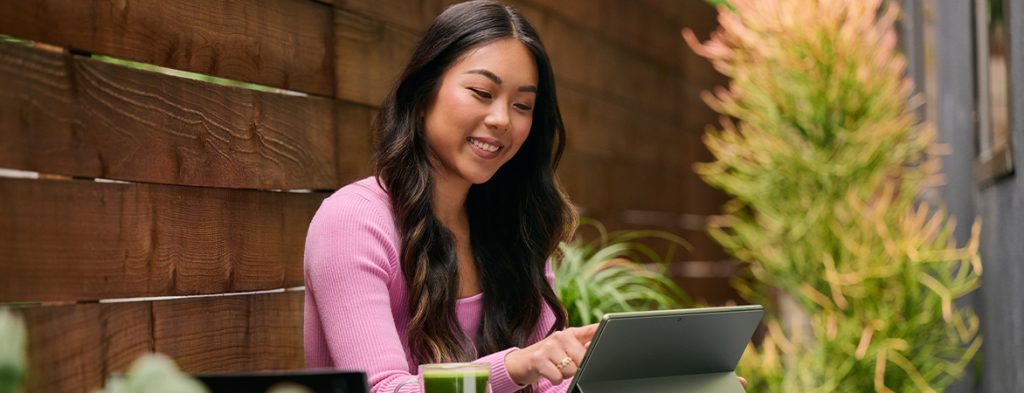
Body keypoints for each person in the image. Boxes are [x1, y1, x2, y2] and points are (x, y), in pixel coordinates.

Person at [303, 1, 596, 392]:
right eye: (481, 92)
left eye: (522, 105)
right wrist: (513, 366)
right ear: (424, 94)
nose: (501, 120)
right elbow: (383, 389)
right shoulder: (354, 222)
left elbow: (549, 384)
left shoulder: (515, 229)